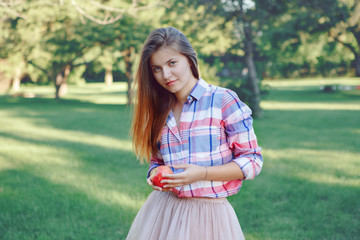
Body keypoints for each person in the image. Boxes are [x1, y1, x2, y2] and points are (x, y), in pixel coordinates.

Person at [127, 26, 263, 240]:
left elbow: (253, 160)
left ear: (189, 59)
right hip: (164, 212)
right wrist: (155, 174)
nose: (166, 75)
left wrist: (203, 173)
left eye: (172, 63)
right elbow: (157, 161)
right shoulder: (159, 110)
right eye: (156, 68)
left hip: (209, 216)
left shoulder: (223, 101)